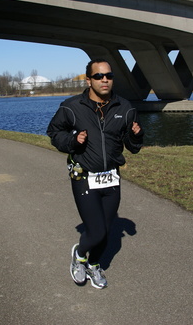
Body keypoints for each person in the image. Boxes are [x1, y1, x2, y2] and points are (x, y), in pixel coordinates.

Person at [47, 58, 144, 289]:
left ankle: (94, 264)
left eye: (109, 76)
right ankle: (80, 256)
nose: (105, 80)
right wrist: (73, 140)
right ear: (89, 80)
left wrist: (137, 135)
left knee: (108, 231)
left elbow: (133, 147)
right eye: (99, 76)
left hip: (111, 176)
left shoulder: (125, 107)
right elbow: (54, 132)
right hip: (84, 177)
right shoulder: (71, 107)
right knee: (97, 230)